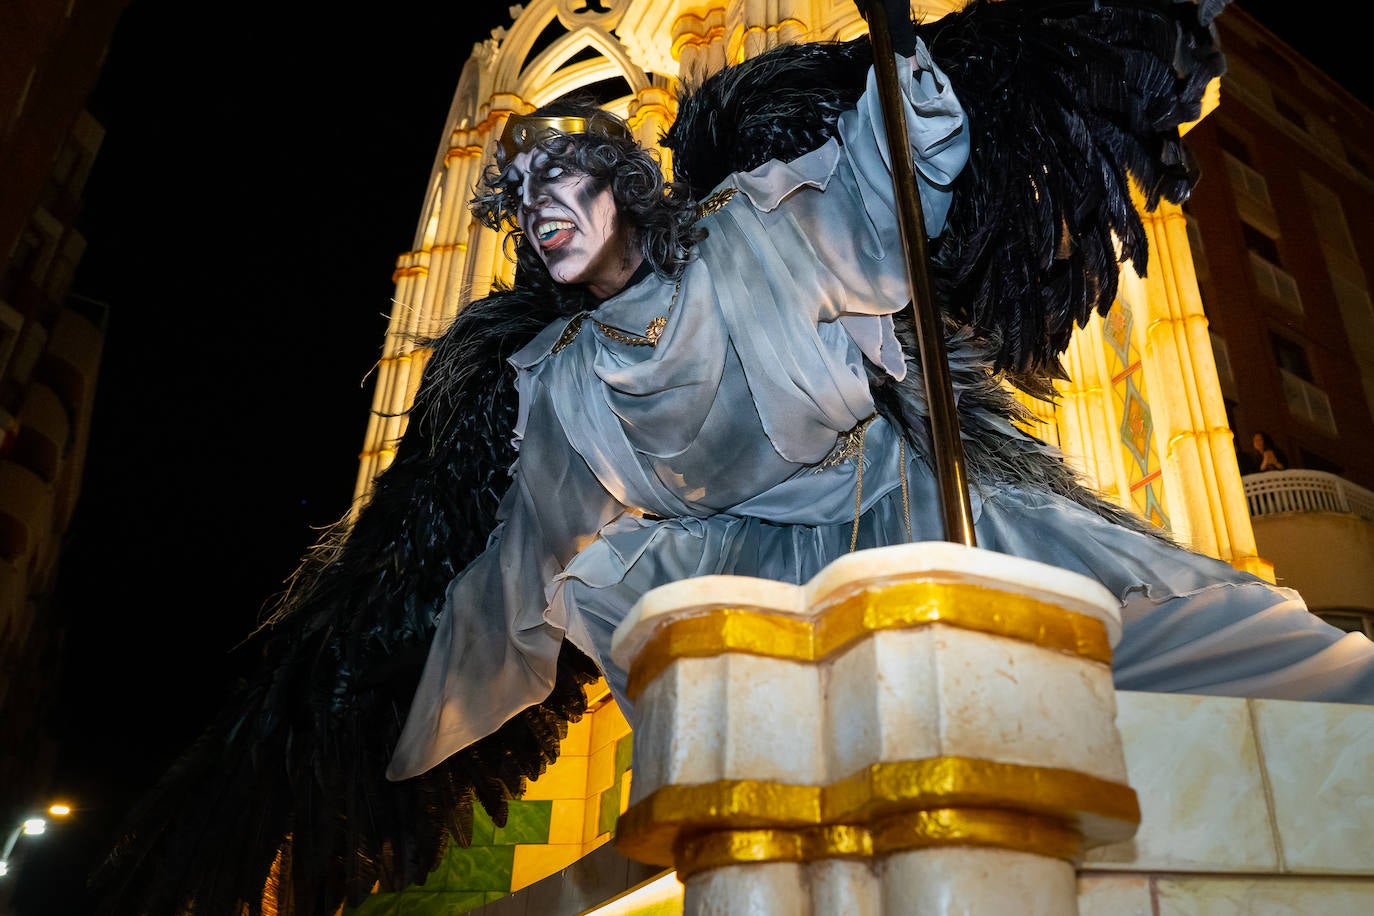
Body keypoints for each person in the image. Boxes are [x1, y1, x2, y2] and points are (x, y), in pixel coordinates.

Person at [94, 2, 1374, 914]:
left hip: (920, 509)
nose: (542, 213)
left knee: (1237, 654)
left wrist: (910, 75)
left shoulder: (757, 224)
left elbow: (896, 186)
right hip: (746, 606)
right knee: (770, 764)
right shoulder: (554, 386)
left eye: (562, 184)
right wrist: (350, 697)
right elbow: (485, 568)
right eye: (522, 204)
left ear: (624, 185)